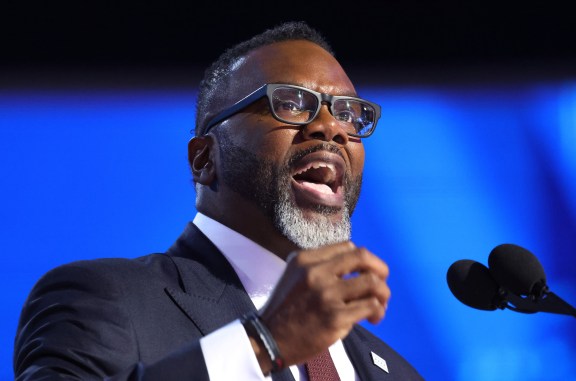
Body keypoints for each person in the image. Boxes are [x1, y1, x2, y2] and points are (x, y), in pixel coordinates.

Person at [14, 22, 423, 380]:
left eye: (350, 114)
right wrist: (264, 342)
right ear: (205, 158)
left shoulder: (397, 372)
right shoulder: (102, 301)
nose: (332, 128)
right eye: (291, 103)